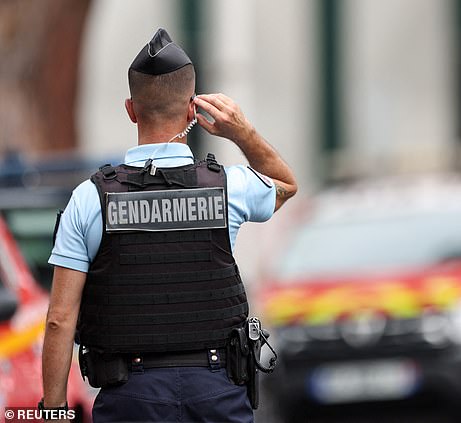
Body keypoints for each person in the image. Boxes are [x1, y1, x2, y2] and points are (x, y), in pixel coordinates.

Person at [40, 28, 297, 422]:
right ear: (193, 110)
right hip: (216, 393)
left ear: (130, 109)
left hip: (131, 397)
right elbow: (286, 185)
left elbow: (60, 318)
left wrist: (53, 412)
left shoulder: (90, 198)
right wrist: (242, 133)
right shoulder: (229, 187)